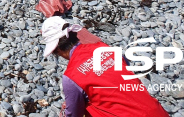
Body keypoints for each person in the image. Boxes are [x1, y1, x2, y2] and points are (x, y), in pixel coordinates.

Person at [41, 17, 169, 117]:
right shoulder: (104, 48)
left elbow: (74, 115)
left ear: (57, 49)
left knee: (84, 107)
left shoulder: (71, 77)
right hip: (158, 112)